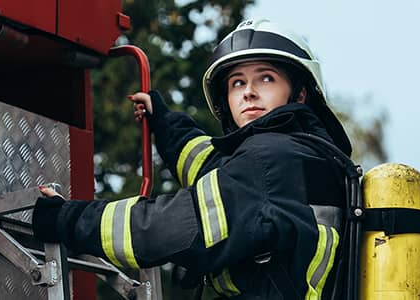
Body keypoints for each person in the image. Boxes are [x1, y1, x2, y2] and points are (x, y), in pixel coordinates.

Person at [33, 19, 352, 299]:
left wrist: (65, 218)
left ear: (299, 94)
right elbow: (214, 170)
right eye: (237, 82)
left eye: (266, 78)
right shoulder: (305, 158)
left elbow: (163, 229)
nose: (248, 92)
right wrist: (166, 124)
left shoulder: (268, 161)